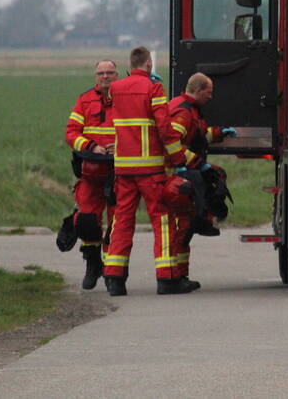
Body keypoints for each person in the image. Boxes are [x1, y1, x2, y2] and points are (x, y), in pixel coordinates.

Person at [102, 46, 190, 296]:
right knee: (162, 220)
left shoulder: (115, 88)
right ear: (149, 65)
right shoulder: (154, 88)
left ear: (130, 65)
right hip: (150, 168)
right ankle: (167, 278)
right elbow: (164, 126)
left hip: (123, 168)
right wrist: (178, 157)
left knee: (121, 221)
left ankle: (115, 279)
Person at [166, 72, 237, 287]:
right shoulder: (183, 112)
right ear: (197, 91)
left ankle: (205, 218)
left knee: (218, 175)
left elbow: (199, 135)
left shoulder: (191, 110)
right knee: (183, 227)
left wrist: (218, 133)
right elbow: (173, 145)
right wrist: (199, 164)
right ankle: (176, 275)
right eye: (209, 92)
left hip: (188, 169)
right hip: (180, 173)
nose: (211, 97)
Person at [62, 59, 118, 289]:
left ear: (117, 75)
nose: (105, 76)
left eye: (110, 73)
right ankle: (93, 264)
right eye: (101, 73)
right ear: (95, 76)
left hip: (119, 171)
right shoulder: (84, 100)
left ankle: (115, 272)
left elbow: (139, 129)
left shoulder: (125, 99)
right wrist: (90, 146)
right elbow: (71, 133)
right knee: (86, 219)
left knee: (118, 225)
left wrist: (121, 145)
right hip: (90, 171)